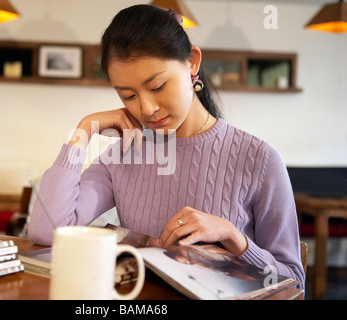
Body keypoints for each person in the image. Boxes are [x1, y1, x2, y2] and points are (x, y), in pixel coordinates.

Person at [28, 4, 305, 288]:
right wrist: (83, 131)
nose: (146, 109)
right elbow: (47, 231)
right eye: (128, 95)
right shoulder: (123, 154)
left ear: (192, 62)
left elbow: (294, 282)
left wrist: (234, 237)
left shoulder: (259, 159)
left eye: (158, 86)